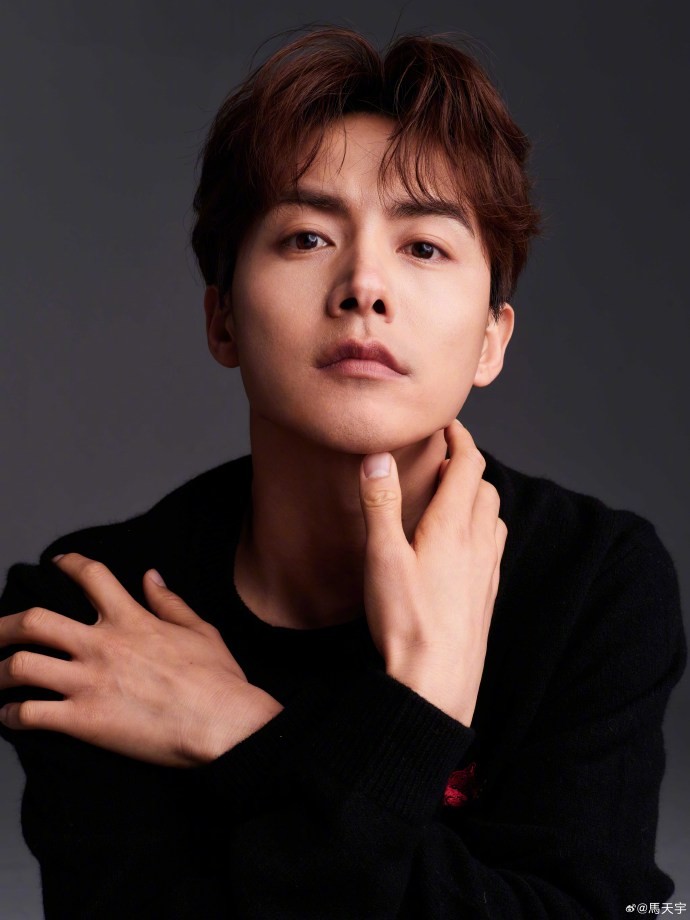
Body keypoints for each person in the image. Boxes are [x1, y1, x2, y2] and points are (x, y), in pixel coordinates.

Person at [0, 24, 685, 919]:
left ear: (491, 340)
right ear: (221, 319)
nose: (365, 285)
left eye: (424, 247)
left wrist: (240, 728)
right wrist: (412, 720)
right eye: (307, 238)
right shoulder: (96, 618)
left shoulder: (592, 582)